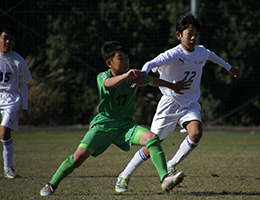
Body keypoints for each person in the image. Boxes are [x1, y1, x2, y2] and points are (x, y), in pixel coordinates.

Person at [40, 41, 190, 196]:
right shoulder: (103, 76)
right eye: (120, 58)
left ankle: (165, 178)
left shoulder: (133, 76)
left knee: (152, 138)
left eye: (126, 58)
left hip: (126, 126)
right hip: (103, 126)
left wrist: (173, 86)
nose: (125, 62)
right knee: (78, 157)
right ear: (109, 63)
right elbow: (108, 84)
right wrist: (126, 77)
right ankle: (51, 184)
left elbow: (151, 80)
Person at [115, 12, 240, 193]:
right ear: (179, 35)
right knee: (151, 145)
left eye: (196, 34)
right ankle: (124, 176)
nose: (193, 38)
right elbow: (151, 63)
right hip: (169, 104)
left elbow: (213, 56)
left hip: (189, 104)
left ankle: (171, 164)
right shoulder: (172, 54)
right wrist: (143, 73)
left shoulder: (201, 51)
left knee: (196, 133)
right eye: (189, 34)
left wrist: (230, 68)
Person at [0, 25, 32, 179]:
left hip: (11, 98)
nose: (8, 42)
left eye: (11, 40)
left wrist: (25, 107)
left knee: (4, 133)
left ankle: (8, 168)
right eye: (5, 38)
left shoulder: (18, 61)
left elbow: (23, 85)